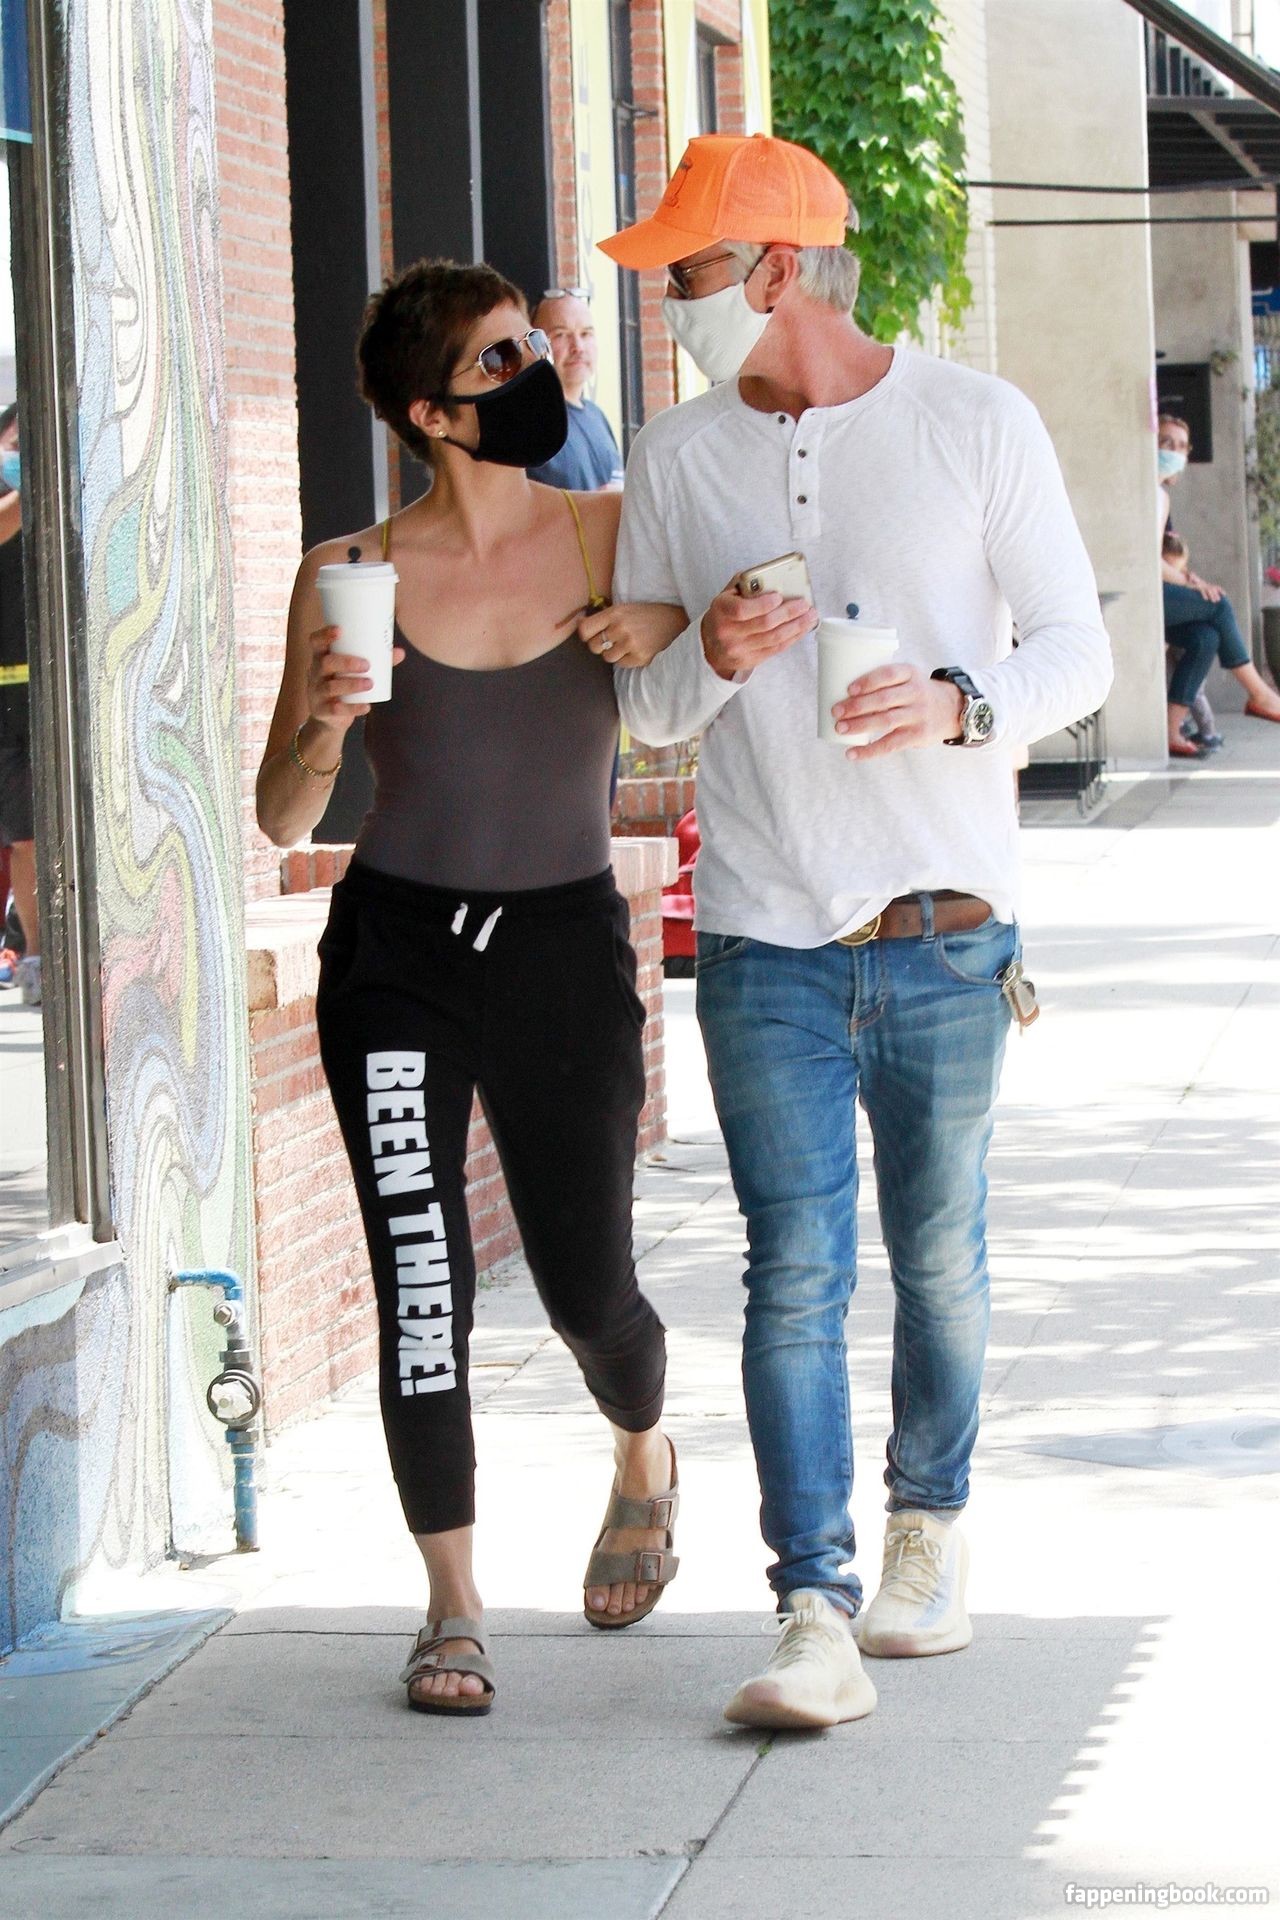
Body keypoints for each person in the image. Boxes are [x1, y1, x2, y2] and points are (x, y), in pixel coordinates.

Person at [593, 132, 1114, 1731]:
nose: (669, 305)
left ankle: (925, 1535)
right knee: (793, 1271)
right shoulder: (677, 456)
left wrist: (961, 705)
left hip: (947, 931)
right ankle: (810, 1608)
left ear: (772, 271)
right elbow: (647, 710)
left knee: (940, 1258)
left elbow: (1079, 650)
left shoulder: (975, 421)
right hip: (766, 937)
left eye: (687, 274)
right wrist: (716, 652)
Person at [256, 259, 686, 1717]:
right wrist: (323, 726)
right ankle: (451, 1604)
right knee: (421, 1283)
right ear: (432, 416)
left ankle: (643, 1452)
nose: (536, 371)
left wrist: (666, 628)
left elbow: (734, 643)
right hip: (398, 959)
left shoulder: (611, 533)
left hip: (563, 946)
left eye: (529, 346)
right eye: (500, 361)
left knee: (588, 1287)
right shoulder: (348, 571)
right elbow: (280, 812)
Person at [1157, 413, 1280, 754]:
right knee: (1218, 604)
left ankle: (1171, 730)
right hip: (1142, 594)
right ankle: (1259, 694)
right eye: (1165, 443)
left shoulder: (1160, 496)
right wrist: (1190, 585)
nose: (1173, 451)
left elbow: (1164, 557)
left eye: (1180, 446)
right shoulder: (1150, 495)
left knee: (1205, 638)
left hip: (1159, 590)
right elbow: (1145, 562)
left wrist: (1190, 579)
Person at [0, 403, 39, 1007]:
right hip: (8, 694)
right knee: (27, 836)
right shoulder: (22, 497)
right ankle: (33, 958)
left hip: (60, 688)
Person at [526, 289, 624, 491]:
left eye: (586, 334)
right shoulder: (527, 421)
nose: (578, 347)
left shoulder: (597, 417)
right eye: (561, 335)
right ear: (534, 345)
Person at [1161, 532, 1222, 753]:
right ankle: (1181, 726)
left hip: (1192, 649)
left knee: (1194, 692)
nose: (1173, 574)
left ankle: (1208, 733)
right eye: (1168, 568)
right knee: (1174, 687)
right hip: (1175, 647)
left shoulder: (1188, 582)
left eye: (1177, 569)